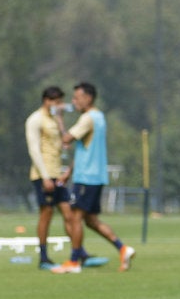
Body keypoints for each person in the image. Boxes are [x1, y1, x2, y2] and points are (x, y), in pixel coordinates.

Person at [51, 82, 135, 274]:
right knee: (90, 220)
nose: (74, 102)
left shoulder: (87, 118)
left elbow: (66, 140)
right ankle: (123, 249)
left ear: (88, 98)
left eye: (76, 98)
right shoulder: (99, 117)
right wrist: (68, 173)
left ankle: (74, 262)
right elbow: (85, 150)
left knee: (74, 217)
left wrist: (59, 118)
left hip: (86, 178)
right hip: (95, 176)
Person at [24, 86, 74, 270]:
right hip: (43, 175)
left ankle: (78, 253)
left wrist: (60, 119)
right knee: (47, 213)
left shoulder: (54, 119)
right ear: (47, 100)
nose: (60, 105)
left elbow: (64, 143)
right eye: (57, 101)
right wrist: (45, 177)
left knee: (69, 213)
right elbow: (34, 149)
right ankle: (44, 257)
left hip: (57, 174)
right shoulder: (35, 119)